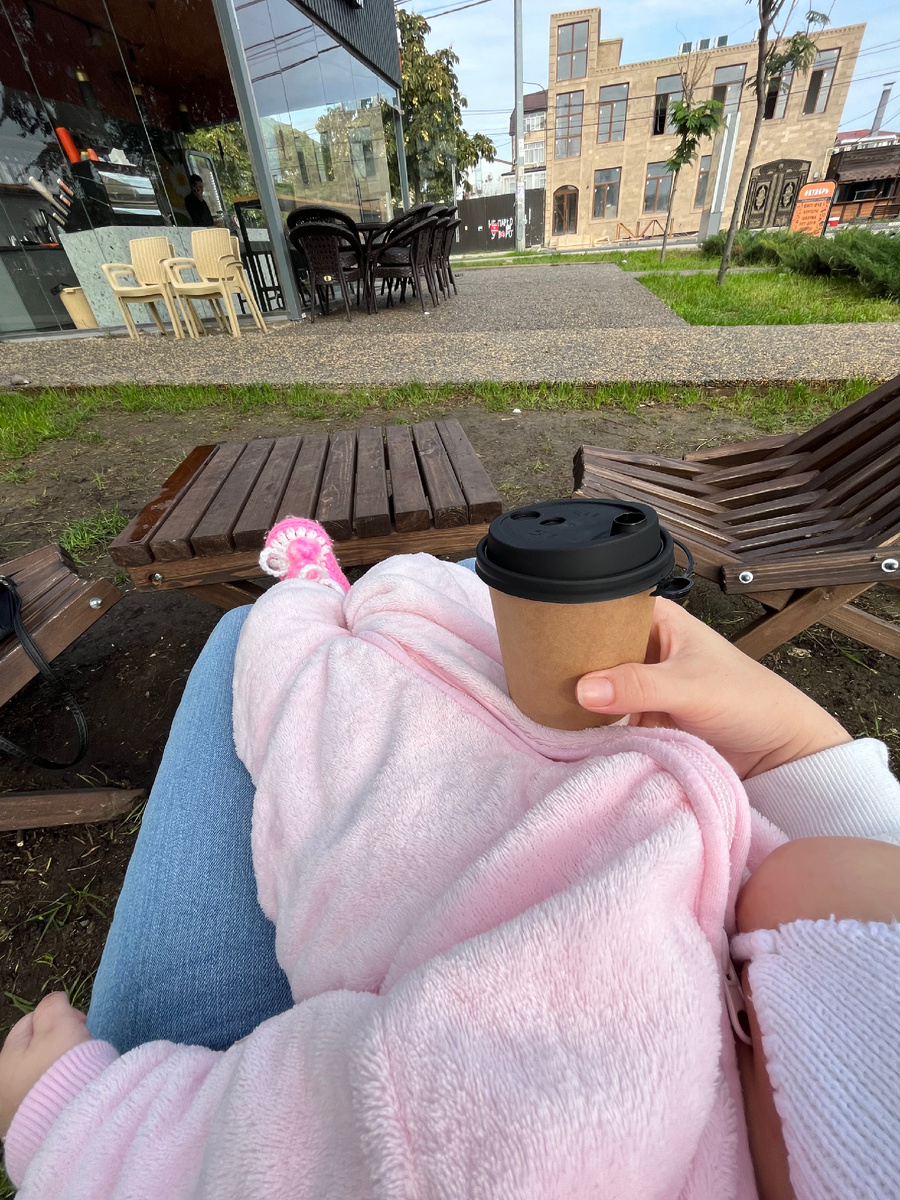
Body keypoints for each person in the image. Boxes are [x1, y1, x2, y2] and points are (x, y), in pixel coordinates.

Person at [1, 521, 898, 1200]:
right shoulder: (754, 1036)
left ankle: (307, 592)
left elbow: (310, 1149)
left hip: (402, 833)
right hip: (569, 770)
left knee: (284, 669)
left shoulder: (576, 1127)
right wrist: (796, 748)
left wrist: (76, 1124)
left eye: (865, 948)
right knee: (436, 593)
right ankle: (363, 587)